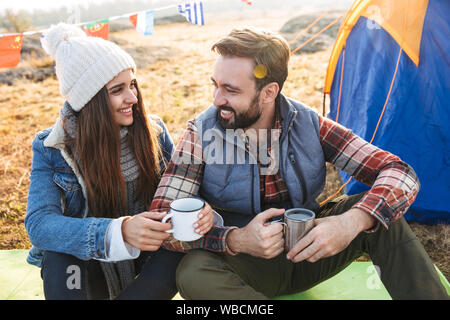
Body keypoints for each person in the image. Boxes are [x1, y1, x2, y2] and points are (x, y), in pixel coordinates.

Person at [150, 27, 449, 300]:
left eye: (231, 90)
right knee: (192, 273)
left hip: (308, 253)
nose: (216, 99)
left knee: (380, 217)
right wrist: (236, 239)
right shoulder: (200, 132)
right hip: (240, 264)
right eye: (215, 85)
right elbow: (162, 218)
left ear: (269, 92)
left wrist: (350, 222)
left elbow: (401, 173)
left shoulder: (310, 125)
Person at [24, 23, 214, 300]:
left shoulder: (154, 132)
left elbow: (183, 194)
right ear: (91, 100)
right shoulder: (52, 146)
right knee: (58, 256)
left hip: (149, 257)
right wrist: (120, 231)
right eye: (118, 90)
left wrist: (203, 212)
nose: (133, 97)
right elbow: (40, 224)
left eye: (133, 85)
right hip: (88, 257)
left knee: (176, 255)